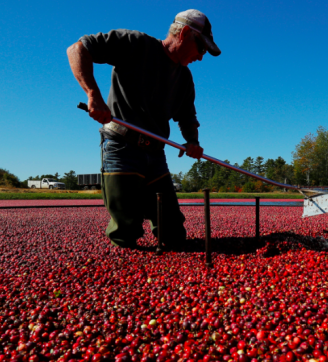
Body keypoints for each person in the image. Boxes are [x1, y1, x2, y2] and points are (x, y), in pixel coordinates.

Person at [67, 9, 221, 249]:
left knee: (173, 233)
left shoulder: (184, 77)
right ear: (185, 33)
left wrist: (192, 141)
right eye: (201, 48)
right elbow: (78, 49)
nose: (201, 57)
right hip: (121, 148)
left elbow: (187, 116)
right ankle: (120, 277)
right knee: (125, 231)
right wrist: (92, 94)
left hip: (156, 155)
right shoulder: (136, 44)